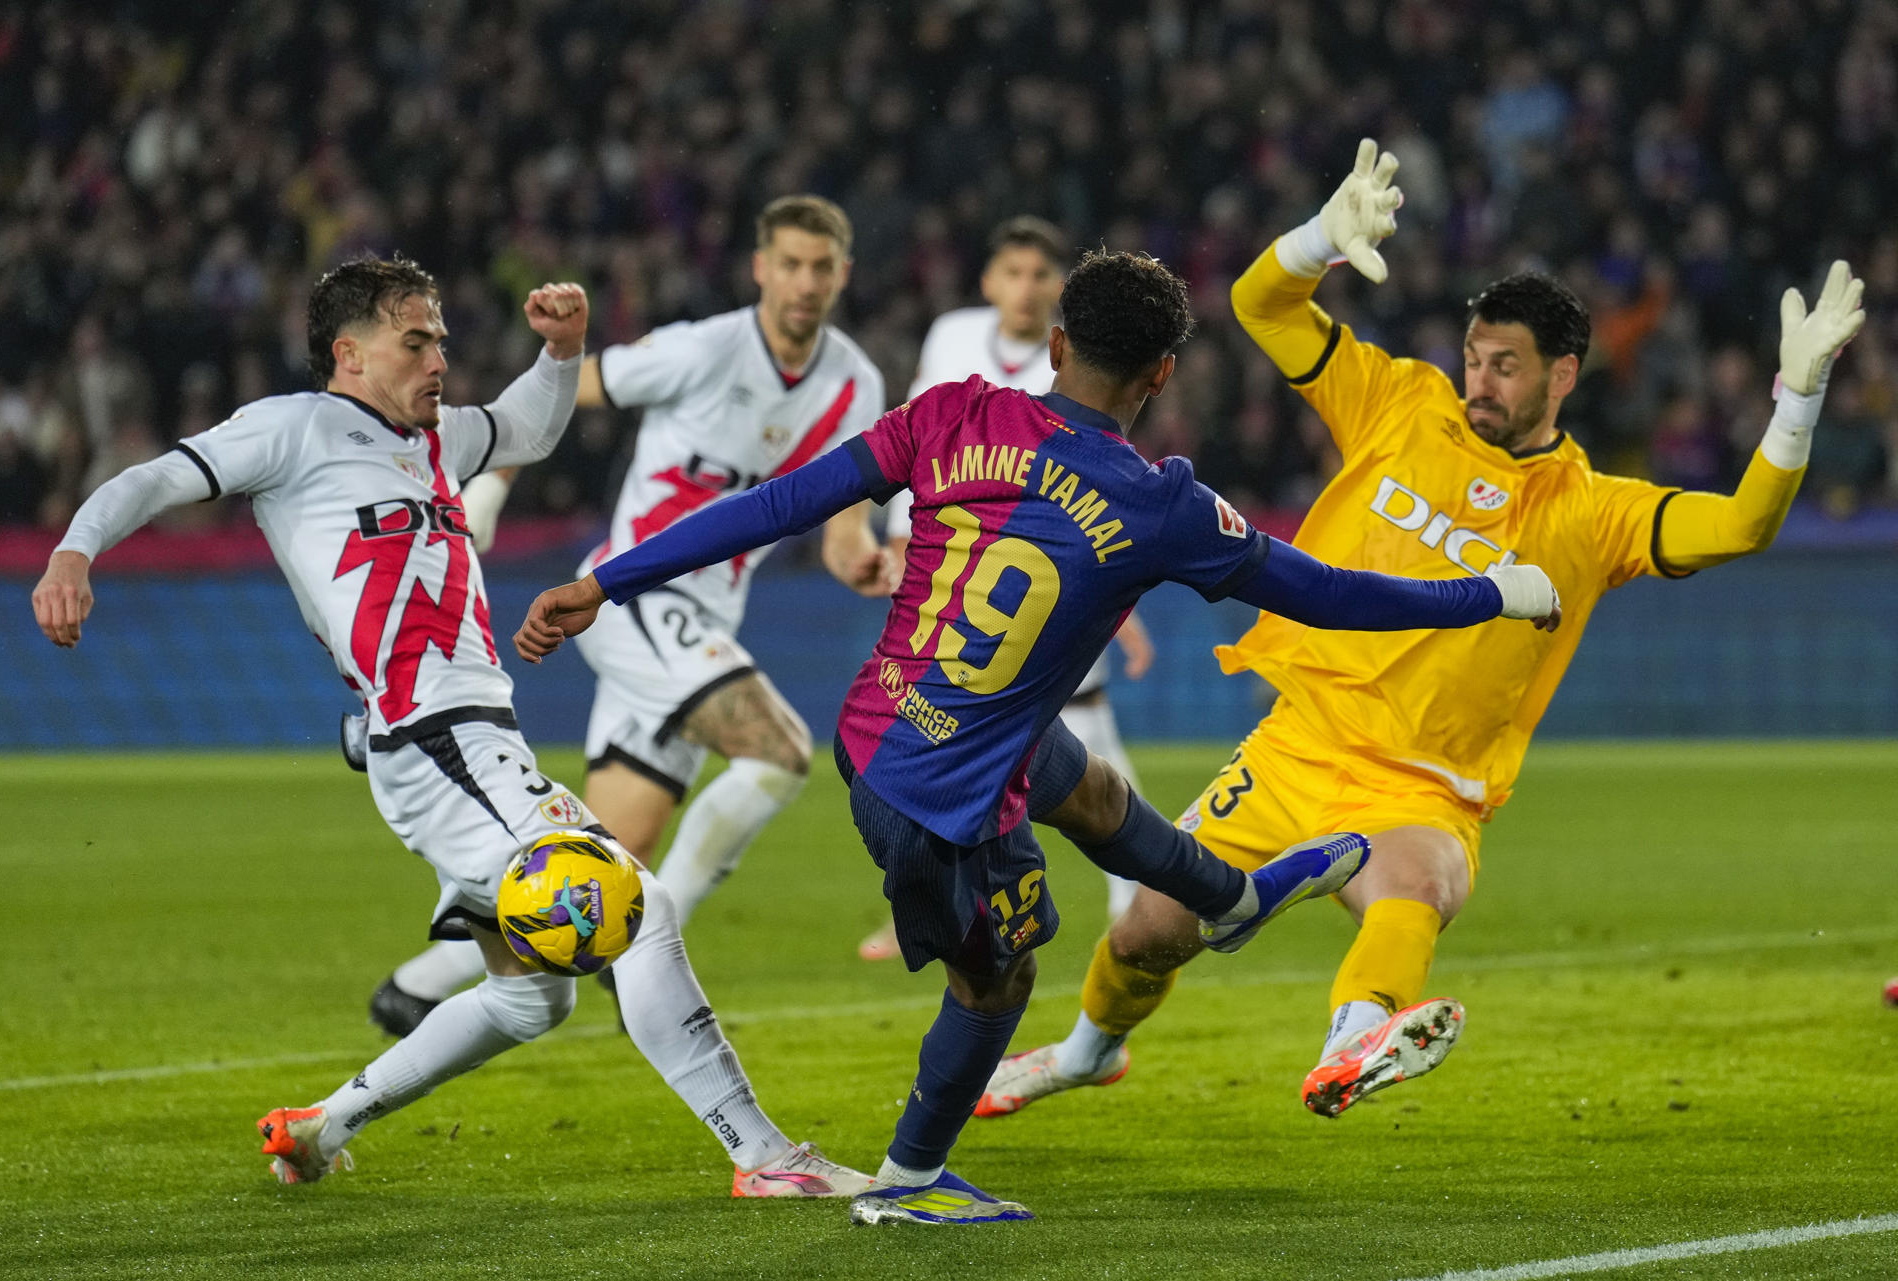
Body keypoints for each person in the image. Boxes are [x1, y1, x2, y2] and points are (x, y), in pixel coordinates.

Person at [513, 248, 1563, 1223]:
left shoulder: (952, 413)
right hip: (941, 807)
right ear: (1161, 375)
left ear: (1056, 344)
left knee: (1088, 785)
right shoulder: (1164, 505)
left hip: (880, 728)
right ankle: (910, 1179)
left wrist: (605, 581)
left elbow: (780, 504)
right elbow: (1331, 594)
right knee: (999, 982)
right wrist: (1492, 592)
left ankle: (1229, 898)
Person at [973, 139, 1867, 1124]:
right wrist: (1320, 238)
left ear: (1564, 375)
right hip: (1299, 745)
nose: (1480, 381)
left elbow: (1741, 525)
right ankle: (1089, 1052)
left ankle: (1353, 1044)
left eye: (1506, 368)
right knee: (1148, 931)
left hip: (1424, 785)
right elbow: (1262, 306)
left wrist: (1798, 401)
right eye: (1475, 359)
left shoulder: (1595, 510)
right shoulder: (1400, 402)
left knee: (1419, 884)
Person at [30, 256, 870, 1197]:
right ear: (349, 353)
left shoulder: (437, 440)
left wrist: (562, 352)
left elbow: (528, 428)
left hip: (465, 736)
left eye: (440, 340)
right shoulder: (292, 428)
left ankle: (320, 1127)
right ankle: (764, 1156)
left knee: (531, 997)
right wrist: (73, 553)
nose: (439, 360)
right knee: (635, 907)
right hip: (438, 735)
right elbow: (150, 480)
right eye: (415, 341)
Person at [369, 195, 891, 1035]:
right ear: (761, 268)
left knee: (608, 857)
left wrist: (863, 560)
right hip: (629, 593)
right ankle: (649, 953)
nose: (805, 282)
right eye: (790, 264)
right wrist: (493, 486)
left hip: (704, 619)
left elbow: (841, 529)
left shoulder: (855, 384)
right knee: (780, 752)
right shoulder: (700, 349)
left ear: (843, 275)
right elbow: (567, 388)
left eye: (821, 267)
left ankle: (416, 985)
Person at [858, 215, 1148, 964]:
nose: (1025, 288)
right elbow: (915, 431)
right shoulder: (953, 336)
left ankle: (1132, 894)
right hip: (959, 562)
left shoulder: (1078, 358)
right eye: (1013, 273)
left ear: (1060, 289)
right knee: (941, 729)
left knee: (1077, 721)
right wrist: (898, 535)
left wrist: (1120, 593)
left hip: (1052, 568)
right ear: (989, 281)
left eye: (1040, 275)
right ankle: (924, 900)